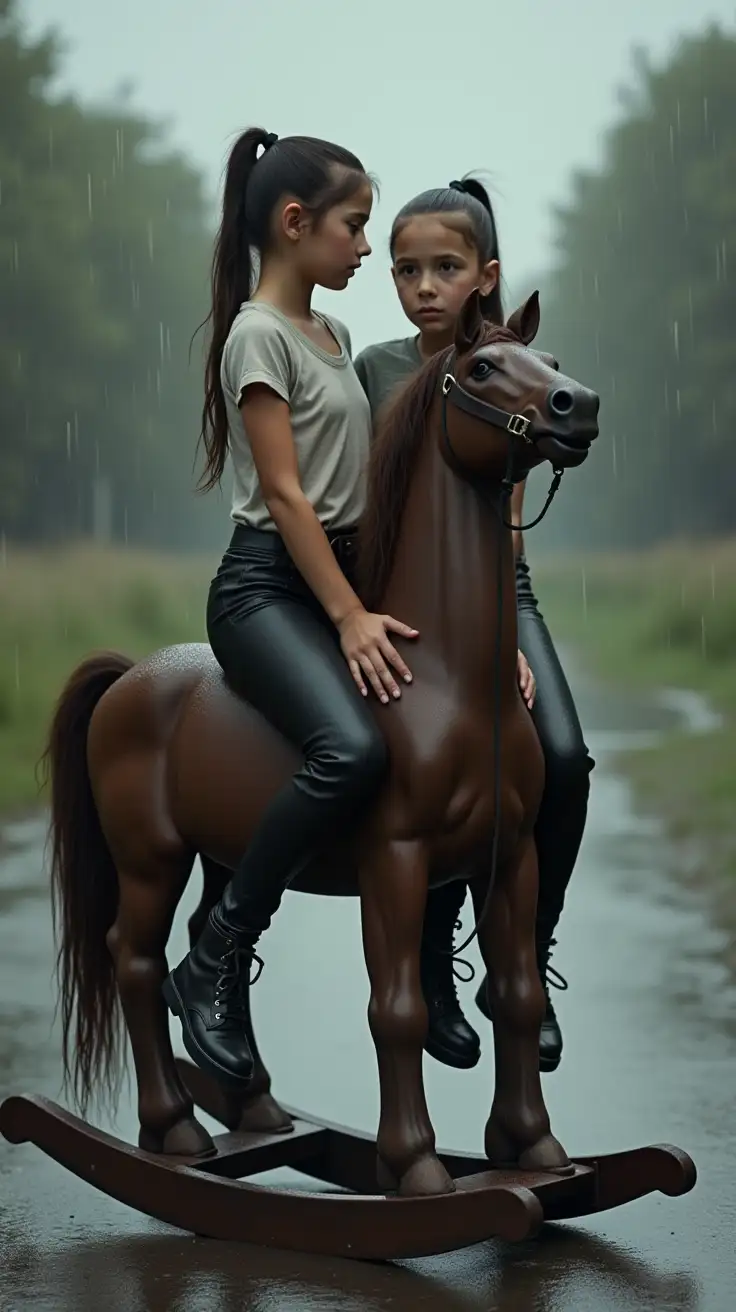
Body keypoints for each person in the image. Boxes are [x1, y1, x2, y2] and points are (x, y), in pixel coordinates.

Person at [163, 128, 421, 1090]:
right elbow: (287, 496)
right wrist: (349, 616)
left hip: (335, 581)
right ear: (294, 222)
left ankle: (431, 956)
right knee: (350, 751)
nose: (366, 247)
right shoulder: (256, 335)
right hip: (266, 588)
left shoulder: (335, 335)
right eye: (354, 228)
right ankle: (217, 955)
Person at [354, 177, 595, 1074]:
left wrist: (502, 654)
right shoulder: (373, 370)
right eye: (406, 268)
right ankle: (429, 960)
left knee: (560, 758)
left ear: (486, 276)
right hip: (403, 603)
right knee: (426, 785)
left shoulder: (518, 369)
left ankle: (527, 952)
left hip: (500, 595)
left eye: (445, 268)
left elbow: (510, 509)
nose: (424, 286)